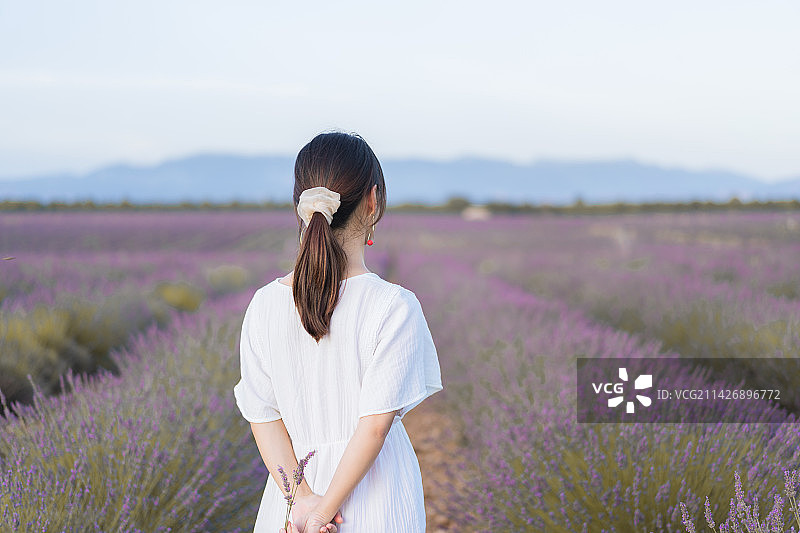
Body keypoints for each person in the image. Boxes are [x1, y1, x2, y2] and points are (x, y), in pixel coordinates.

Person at [233, 131, 444, 533]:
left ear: (300, 204)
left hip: (293, 493)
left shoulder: (263, 305)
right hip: (372, 492)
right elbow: (375, 427)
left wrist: (302, 502)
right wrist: (323, 512)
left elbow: (263, 418)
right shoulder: (394, 307)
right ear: (373, 201)